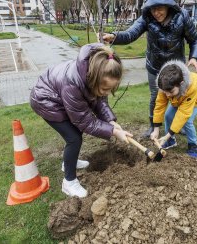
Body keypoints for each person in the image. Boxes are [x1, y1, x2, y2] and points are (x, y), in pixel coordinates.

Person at [30, 43, 133, 198]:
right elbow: (85, 121)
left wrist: (110, 121)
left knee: (74, 134)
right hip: (46, 101)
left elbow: (100, 101)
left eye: (110, 89)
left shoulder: (97, 72)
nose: (106, 92)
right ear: (93, 79)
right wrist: (112, 132)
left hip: (60, 98)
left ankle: (69, 162)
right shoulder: (73, 83)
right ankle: (69, 182)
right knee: (74, 138)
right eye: (105, 89)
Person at [102, 0, 197, 139]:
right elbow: (130, 34)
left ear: (168, 5)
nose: (156, 12)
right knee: (156, 97)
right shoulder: (146, 18)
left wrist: (194, 57)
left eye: (160, 8)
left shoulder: (182, 16)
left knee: (180, 95)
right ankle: (153, 126)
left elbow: (195, 39)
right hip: (155, 66)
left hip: (176, 67)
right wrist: (114, 37)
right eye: (153, 8)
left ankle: (179, 124)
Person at [150, 60, 197, 159]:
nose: (167, 95)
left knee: (187, 120)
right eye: (165, 92)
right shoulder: (164, 84)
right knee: (168, 115)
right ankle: (170, 141)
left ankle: (193, 146)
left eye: (170, 91)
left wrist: (168, 134)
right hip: (179, 98)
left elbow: (183, 114)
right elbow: (160, 106)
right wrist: (156, 129)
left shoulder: (191, 87)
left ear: (181, 84)